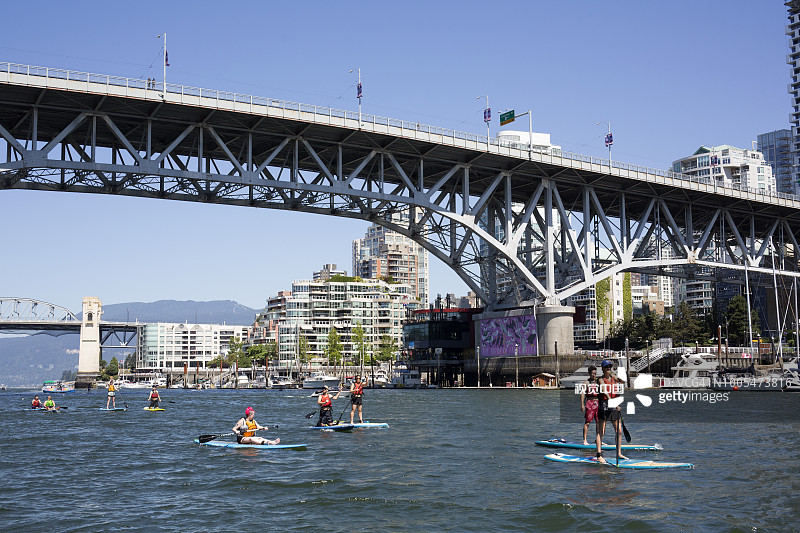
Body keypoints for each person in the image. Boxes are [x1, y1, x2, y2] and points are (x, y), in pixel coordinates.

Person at [595, 360, 627, 463]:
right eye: (607, 367)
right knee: (601, 432)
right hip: (604, 405)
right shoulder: (600, 380)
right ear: (603, 369)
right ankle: (599, 455)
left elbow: (624, 382)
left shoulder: (614, 378)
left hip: (614, 406)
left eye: (610, 366)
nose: (609, 368)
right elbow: (605, 392)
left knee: (619, 431)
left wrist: (616, 376)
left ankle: (618, 453)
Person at [580, 365, 599, 445]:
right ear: (589, 373)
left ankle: (598, 439)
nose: (593, 375)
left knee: (599, 422)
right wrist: (582, 404)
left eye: (595, 373)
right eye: (592, 374)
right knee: (587, 422)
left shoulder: (598, 382)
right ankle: (584, 440)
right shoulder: (586, 382)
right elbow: (583, 393)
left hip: (598, 403)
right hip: (590, 403)